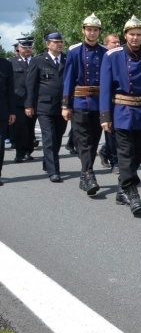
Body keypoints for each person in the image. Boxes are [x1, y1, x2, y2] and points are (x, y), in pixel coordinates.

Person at [100, 15, 141, 215]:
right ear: (125, 35)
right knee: (124, 155)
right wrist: (105, 116)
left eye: (139, 35)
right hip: (121, 112)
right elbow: (105, 88)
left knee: (137, 156)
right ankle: (133, 192)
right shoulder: (112, 56)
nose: (135, 38)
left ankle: (121, 190)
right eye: (131, 34)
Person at [62, 13, 106, 196]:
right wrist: (66, 105)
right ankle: (89, 174)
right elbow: (68, 79)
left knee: (94, 140)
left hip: (99, 102)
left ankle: (84, 175)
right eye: (89, 29)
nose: (92, 33)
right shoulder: (74, 52)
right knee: (84, 141)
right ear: (83, 30)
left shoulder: (106, 53)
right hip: (80, 101)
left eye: (95, 30)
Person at [25, 31, 68, 183]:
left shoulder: (67, 59)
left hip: (63, 106)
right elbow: (30, 84)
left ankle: (47, 161)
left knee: (58, 136)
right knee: (49, 137)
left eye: (60, 41)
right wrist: (29, 104)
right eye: (55, 42)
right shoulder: (38, 60)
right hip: (44, 106)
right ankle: (53, 171)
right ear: (47, 44)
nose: (59, 44)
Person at [12, 37, 37, 163]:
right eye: (24, 47)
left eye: (29, 47)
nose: (27, 50)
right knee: (20, 127)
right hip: (19, 101)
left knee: (30, 127)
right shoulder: (12, 62)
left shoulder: (37, 61)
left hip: (34, 101)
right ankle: (19, 152)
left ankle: (28, 151)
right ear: (18, 48)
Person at [98, 33, 120, 173]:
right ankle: (114, 160)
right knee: (110, 131)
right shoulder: (103, 57)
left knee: (117, 133)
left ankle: (106, 152)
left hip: (118, 101)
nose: (117, 45)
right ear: (106, 45)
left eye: (118, 43)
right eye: (114, 43)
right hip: (102, 100)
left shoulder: (121, 58)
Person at [0, 47, 15, 186]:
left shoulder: (5, 64)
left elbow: (10, 90)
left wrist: (12, 111)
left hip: (2, 111)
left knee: (0, 145)